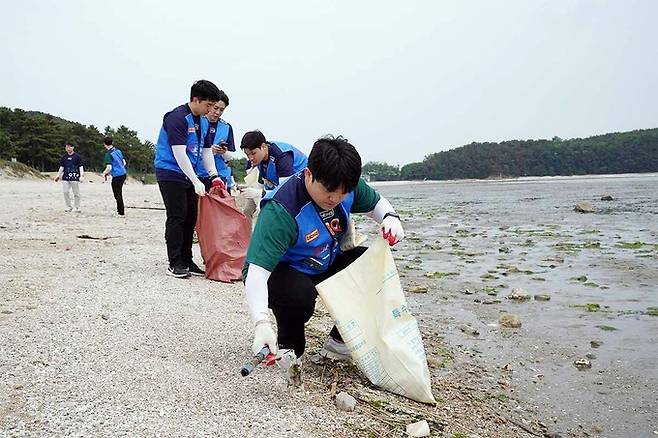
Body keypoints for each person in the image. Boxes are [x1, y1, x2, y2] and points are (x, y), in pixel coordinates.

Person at [243, 136, 405, 387]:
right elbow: (256, 272)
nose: (335, 199)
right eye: (329, 191)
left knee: (372, 265)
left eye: (343, 193)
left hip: (326, 260)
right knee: (298, 302)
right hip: (286, 271)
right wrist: (261, 323)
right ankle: (288, 342)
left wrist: (390, 217)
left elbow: (376, 204)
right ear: (308, 174)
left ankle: (337, 344)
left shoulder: (344, 186)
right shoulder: (281, 209)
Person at [154, 80, 223, 279]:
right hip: (171, 171)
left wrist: (214, 176)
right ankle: (174, 262)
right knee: (178, 215)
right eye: (208, 105)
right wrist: (195, 181)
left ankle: (187, 259)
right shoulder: (176, 118)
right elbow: (179, 153)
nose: (211, 110)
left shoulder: (203, 121)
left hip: (189, 173)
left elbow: (207, 151)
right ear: (195, 99)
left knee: (191, 216)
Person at [239, 131, 307, 195]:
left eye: (253, 153)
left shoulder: (282, 156)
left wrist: (259, 193)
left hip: (303, 185)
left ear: (264, 147)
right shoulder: (259, 158)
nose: (250, 158)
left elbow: (285, 191)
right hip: (282, 185)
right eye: (247, 154)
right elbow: (263, 183)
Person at [198, 90, 235, 193]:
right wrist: (209, 150)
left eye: (221, 110)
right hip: (198, 174)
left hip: (220, 174)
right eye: (215, 108)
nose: (217, 112)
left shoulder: (226, 127)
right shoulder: (197, 123)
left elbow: (230, 156)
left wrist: (223, 152)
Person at [101, 137, 128, 216]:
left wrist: (104, 173)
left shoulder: (108, 154)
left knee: (117, 194)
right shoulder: (118, 151)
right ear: (112, 143)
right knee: (119, 193)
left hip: (117, 176)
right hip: (123, 173)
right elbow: (124, 162)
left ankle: (120, 212)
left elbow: (109, 167)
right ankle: (120, 211)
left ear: (104, 144)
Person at [54, 143, 84, 212]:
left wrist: (81, 175)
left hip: (74, 177)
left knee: (76, 193)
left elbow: (81, 166)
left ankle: (77, 207)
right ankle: (68, 206)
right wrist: (58, 175)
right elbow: (62, 167)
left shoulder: (77, 156)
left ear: (72, 147)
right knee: (65, 192)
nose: (67, 148)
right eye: (66, 147)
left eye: (69, 147)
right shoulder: (64, 157)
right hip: (65, 177)